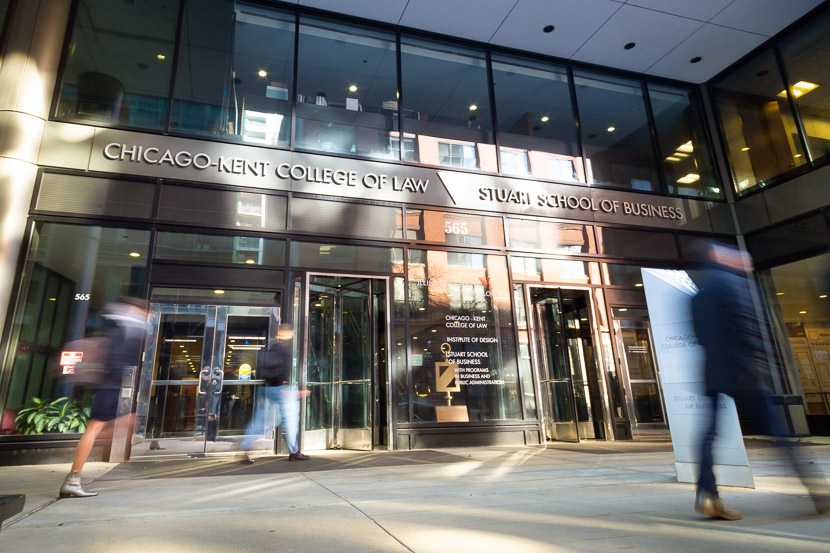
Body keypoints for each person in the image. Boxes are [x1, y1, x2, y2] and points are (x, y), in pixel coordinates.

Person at [690, 240, 830, 520]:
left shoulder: (698, 294)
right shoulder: (732, 283)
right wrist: (761, 364)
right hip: (743, 371)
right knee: (778, 432)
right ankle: (817, 491)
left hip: (714, 371)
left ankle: (708, 493)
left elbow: (700, 336)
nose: (744, 260)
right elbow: (746, 327)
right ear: (718, 256)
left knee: (709, 433)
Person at [59, 297, 148, 498]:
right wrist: (120, 385)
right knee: (106, 427)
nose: (148, 315)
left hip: (106, 386)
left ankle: (73, 479)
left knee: (104, 427)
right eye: (145, 311)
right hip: (110, 387)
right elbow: (116, 360)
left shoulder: (121, 326)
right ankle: (72, 479)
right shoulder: (129, 329)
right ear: (138, 311)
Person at [238, 324, 308, 462]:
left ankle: (243, 448)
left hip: (267, 388)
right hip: (280, 389)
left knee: (261, 420)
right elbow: (281, 367)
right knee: (291, 420)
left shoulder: (272, 346)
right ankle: (294, 451)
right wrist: (284, 385)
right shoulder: (285, 346)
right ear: (290, 333)